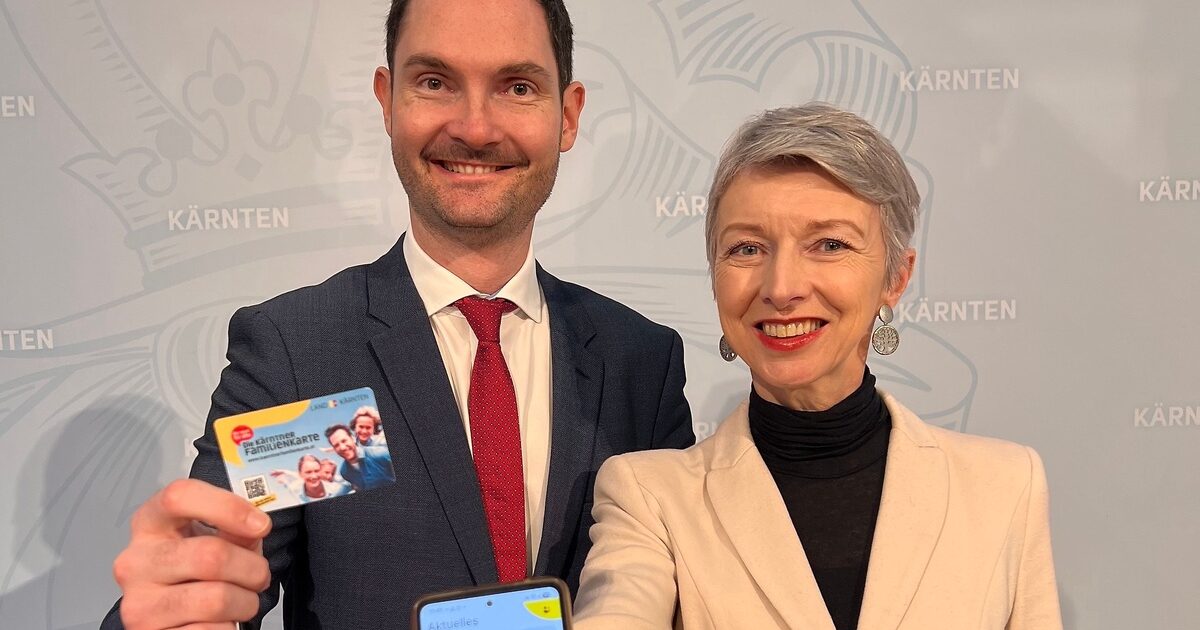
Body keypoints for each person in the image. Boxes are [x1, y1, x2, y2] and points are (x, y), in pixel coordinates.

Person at [102, 1, 693, 628]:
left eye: (517, 87)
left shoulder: (639, 363)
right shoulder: (306, 357)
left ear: (567, 115)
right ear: (387, 100)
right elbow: (207, 583)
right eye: (435, 82)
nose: (475, 128)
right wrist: (171, 607)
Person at [572, 104, 1062, 629]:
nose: (782, 287)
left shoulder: (1004, 486)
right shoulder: (650, 497)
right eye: (747, 248)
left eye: (829, 244)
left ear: (896, 278)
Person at [324, 424, 395, 492]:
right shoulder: (344, 472)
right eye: (336, 445)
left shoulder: (380, 454)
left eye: (344, 441)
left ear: (353, 438)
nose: (342, 448)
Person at [270, 454, 352, 504]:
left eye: (317, 471)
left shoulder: (338, 488)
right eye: (308, 472)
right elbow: (290, 486)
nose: (314, 476)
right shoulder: (296, 488)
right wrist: (284, 479)